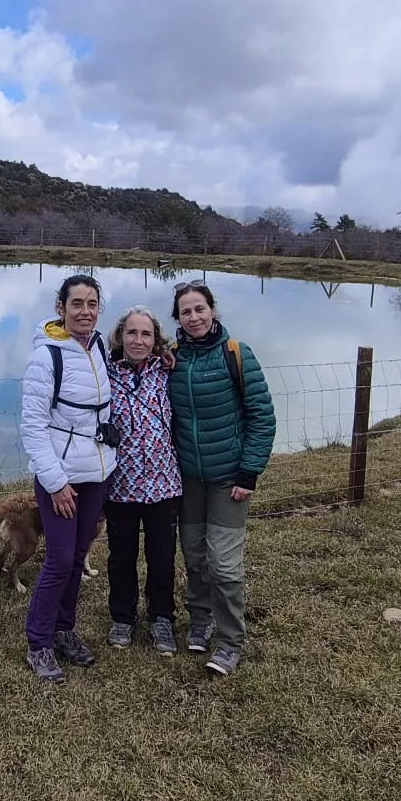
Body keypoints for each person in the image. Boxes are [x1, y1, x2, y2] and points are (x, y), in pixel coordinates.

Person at [167, 279, 274, 676]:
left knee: (225, 564)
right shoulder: (172, 358)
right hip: (187, 479)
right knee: (194, 555)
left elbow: (262, 416)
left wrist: (250, 471)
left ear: (212, 311)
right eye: (185, 311)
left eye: (200, 309)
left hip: (229, 478)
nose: (193, 317)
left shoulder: (236, 354)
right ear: (176, 318)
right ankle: (200, 619)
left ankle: (230, 641)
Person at [17, 274, 117, 684]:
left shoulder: (100, 349)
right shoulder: (47, 358)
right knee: (58, 559)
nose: (85, 311)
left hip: (98, 475)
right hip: (63, 479)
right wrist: (56, 483)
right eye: (77, 303)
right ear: (61, 308)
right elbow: (33, 428)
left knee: (77, 557)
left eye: (92, 304)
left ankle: (64, 630)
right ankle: (38, 642)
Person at [101, 306, 183, 657]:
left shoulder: (168, 372)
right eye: (131, 333)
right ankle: (122, 617)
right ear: (120, 337)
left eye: (146, 334)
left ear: (156, 339)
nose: (138, 340)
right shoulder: (102, 372)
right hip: (121, 484)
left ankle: (162, 617)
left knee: (162, 555)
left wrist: (173, 355)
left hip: (164, 483)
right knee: (121, 556)